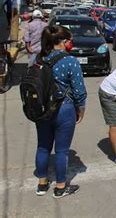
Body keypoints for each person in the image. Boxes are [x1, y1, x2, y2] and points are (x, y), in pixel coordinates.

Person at [34, 25, 87, 198]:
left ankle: (42, 184)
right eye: (68, 40)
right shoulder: (70, 61)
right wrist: (81, 108)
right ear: (62, 42)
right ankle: (60, 187)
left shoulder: (39, 58)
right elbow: (79, 90)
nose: (70, 43)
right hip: (64, 109)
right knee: (62, 151)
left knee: (43, 147)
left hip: (41, 109)